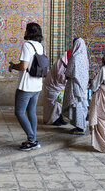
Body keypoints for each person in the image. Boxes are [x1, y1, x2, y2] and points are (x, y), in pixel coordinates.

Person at [8, 22, 44, 151]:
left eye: (26, 30)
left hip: (26, 86)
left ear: (29, 32)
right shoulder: (40, 46)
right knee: (31, 112)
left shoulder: (27, 45)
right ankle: (32, 140)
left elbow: (23, 66)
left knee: (19, 112)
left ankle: (32, 139)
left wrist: (13, 66)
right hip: (37, 85)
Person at [62, 38, 89, 135]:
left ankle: (79, 127)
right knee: (81, 105)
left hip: (75, 85)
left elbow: (69, 72)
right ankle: (81, 125)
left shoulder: (75, 57)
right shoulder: (84, 57)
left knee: (77, 105)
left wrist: (66, 72)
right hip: (82, 85)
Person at [42, 49, 70, 125]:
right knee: (52, 104)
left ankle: (58, 117)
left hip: (59, 87)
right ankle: (52, 120)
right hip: (52, 86)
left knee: (59, 103)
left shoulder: (66, 64)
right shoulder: (61, 64)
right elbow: (60, 78)